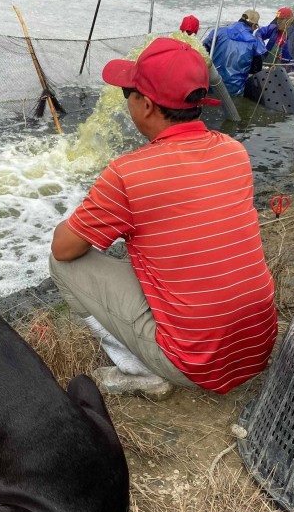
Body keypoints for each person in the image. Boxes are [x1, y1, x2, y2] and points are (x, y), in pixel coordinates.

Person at [49, 38, 277, 396]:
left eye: (129, 91)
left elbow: (64, 248)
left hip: (195, 366)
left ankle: (140, 369)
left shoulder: (128, 173)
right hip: (254, 350)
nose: (127, 100)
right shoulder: (234, 152)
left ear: (147, 106)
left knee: (62, 265)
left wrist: (88, 209)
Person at [202, 10, 267, 95]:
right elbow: (256, 70)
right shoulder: (255, 42)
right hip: (235, 90)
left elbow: (203, 51)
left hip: (211, 84)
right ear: (254, 25)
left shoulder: (218, 32)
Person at [257, 7, 294, 73]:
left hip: (282, 71)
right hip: (265, 65)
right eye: (277, 19)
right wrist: (261, 44)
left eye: (281, 19)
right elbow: (259, 33)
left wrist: (285, 70)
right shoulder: (273, 28)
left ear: (290, 20)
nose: (278, 22)